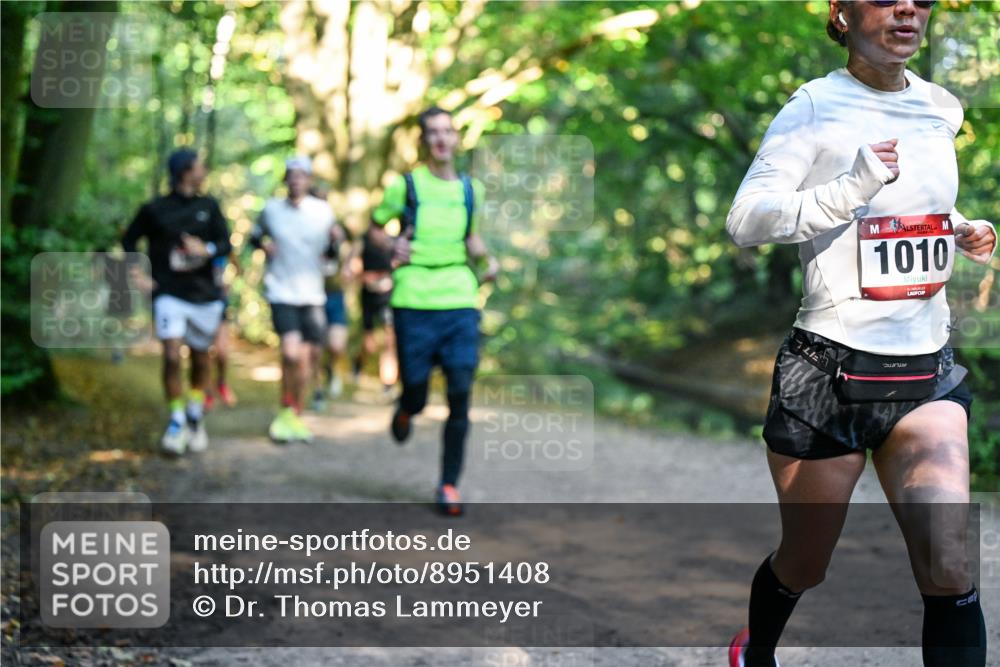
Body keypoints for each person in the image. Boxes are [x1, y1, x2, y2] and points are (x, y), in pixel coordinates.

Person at [724, 2, 996, 666]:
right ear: (842, 15)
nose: (908, 8)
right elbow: (746, 220)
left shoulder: (941, 107)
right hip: (830, 372)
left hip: (925, 368)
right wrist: (848, 189)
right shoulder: (815, 107)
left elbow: (915, 202)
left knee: (951, 563)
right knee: (805, 561)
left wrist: (958, 227)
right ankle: (756, 648)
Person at [370, 105, 499, 516]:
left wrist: (487, 261)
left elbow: (471, 237)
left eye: (448, 131)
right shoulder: (405, 186)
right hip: (414, 300)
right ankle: (407, 408)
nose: (442, 139)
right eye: (433, 132)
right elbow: (374, 227)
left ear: (457, 138)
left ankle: (448, 484)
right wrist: (391, 245)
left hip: (459, 297)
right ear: (423, 140)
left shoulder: (469, 189)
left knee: (461, 391)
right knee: (419, 392)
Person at [122, 148, 232, 455]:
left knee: (200, 358)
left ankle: (195, 413)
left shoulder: (209, 206)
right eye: (200, 166)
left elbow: (225, 242)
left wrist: (207, 248)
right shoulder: (154, 208)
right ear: (185, 170)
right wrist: (138, 273)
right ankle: (175, 419)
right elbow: (129, 239)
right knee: (171, 355)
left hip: (204, 296)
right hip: (168, 293)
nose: (204, 171)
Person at [250, 156, 338, 443]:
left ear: (309, 180)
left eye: (302, 175)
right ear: (285, 179)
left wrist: (336, 245)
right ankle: (285, 409)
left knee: (307, 358)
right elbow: (254, 236)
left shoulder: (323, 212)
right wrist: (264, 245)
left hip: (312, 293)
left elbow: (334, 252)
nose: (296, 179)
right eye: (291, 174)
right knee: (290, 353)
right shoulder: (272, 209)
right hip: (281, 290)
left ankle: (294, 413)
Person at [352, 224, 398, 396]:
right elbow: (354, 268)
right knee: (369, 343)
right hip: (368, 297)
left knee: (390, 340)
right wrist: (366, 277)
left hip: (388, 298)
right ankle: (358, 363)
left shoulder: (393, 243)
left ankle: (388, 383)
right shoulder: (362, 242)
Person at [205, 253, 238, 410]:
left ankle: (222, 384)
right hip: (200, 299)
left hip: (219, 300)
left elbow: (236, 264)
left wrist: (228, 283)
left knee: (222, 352)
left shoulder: (220, 243)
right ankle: (207, 391)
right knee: (204, 351)